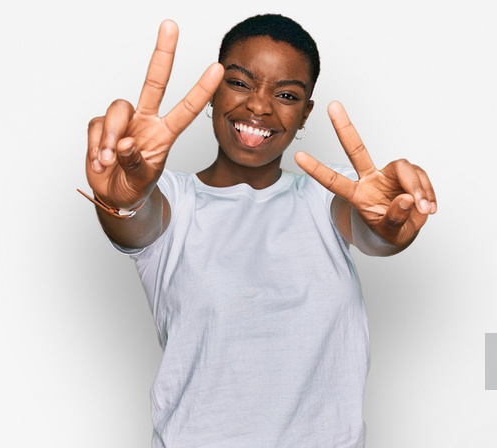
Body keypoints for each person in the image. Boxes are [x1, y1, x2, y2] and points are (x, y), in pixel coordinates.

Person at [82, 14, 436, 448]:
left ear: (304, 115)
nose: (260, 106)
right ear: (211, 93)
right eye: (240, 82)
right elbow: (135, 221)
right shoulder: (173, 199)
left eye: (286, 94)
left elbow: (370, 228)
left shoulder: (326, 195)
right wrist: (124, 197)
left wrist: (389, 227)